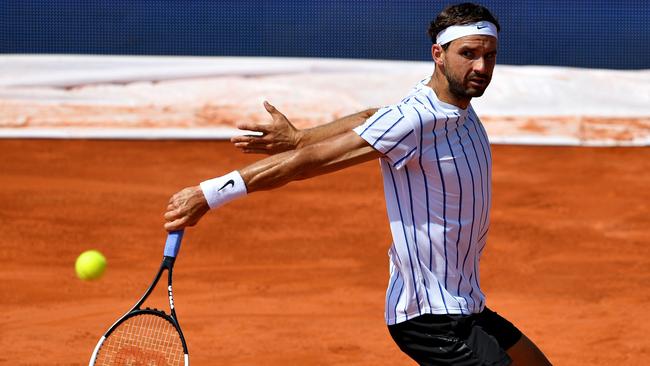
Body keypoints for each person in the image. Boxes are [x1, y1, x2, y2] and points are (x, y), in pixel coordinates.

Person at [164, 3, 552, 365]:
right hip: (431, 318)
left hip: (464, 303)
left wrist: (303, 135)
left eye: (490, 56)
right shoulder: (417, 121)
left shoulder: (451, 109)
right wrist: (210, 193)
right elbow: (308, 164)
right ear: (438, 54)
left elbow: (373, 115)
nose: (481, 66)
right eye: (468, 54)